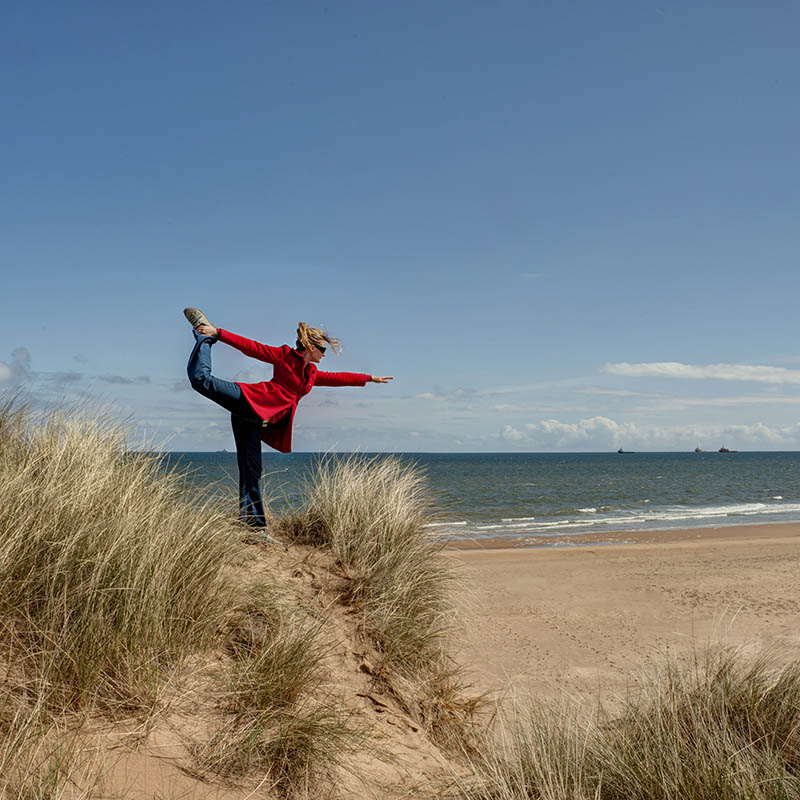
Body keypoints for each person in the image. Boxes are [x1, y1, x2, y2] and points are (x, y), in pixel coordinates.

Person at [184, 307, 393, 534]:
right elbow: (253, 348)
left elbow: (336, 378)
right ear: (311, 348)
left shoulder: (311, 373)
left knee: (251, 471)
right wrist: (219, 333)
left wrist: (369, 378)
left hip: (253, 420)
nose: (324, 354)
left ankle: (254, 528)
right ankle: (204, 337)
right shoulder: (284, 356)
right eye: (322, 349)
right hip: (248, 400)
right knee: (200, 379)